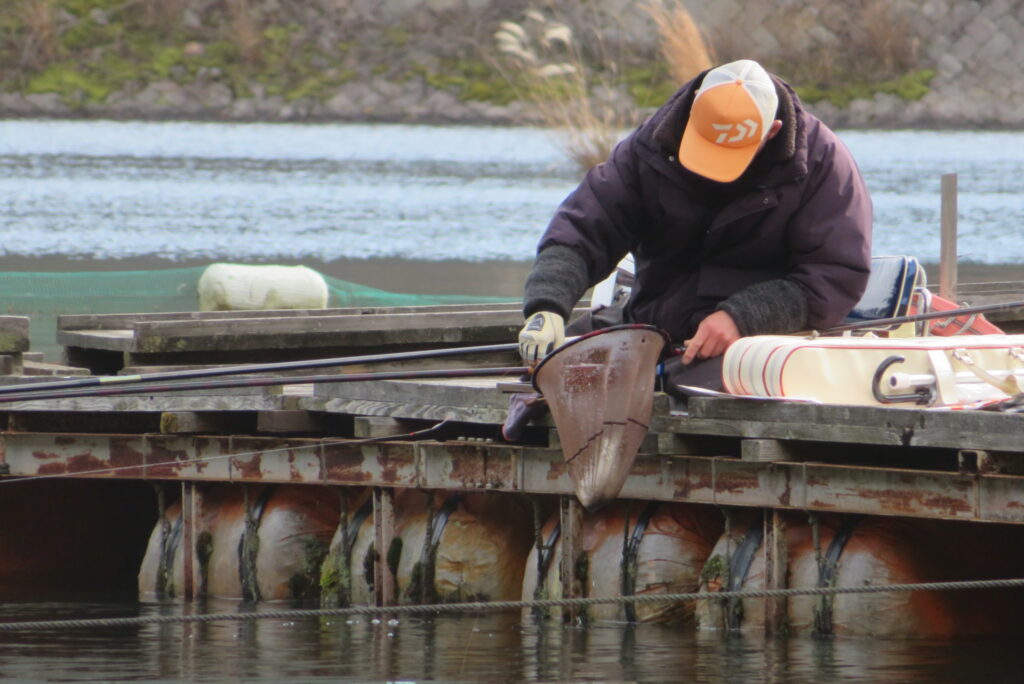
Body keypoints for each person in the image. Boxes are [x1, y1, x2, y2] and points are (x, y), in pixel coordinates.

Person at [516, 58, 872, 392]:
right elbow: (585, 228)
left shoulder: (823, 164)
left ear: (772, 131)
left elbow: (835, 274)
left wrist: (743, 318)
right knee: (547, 372)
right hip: (649, 327)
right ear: (694, 106)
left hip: (755, 347)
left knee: (686, 389)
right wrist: (548, 305)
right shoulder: (648, 146)